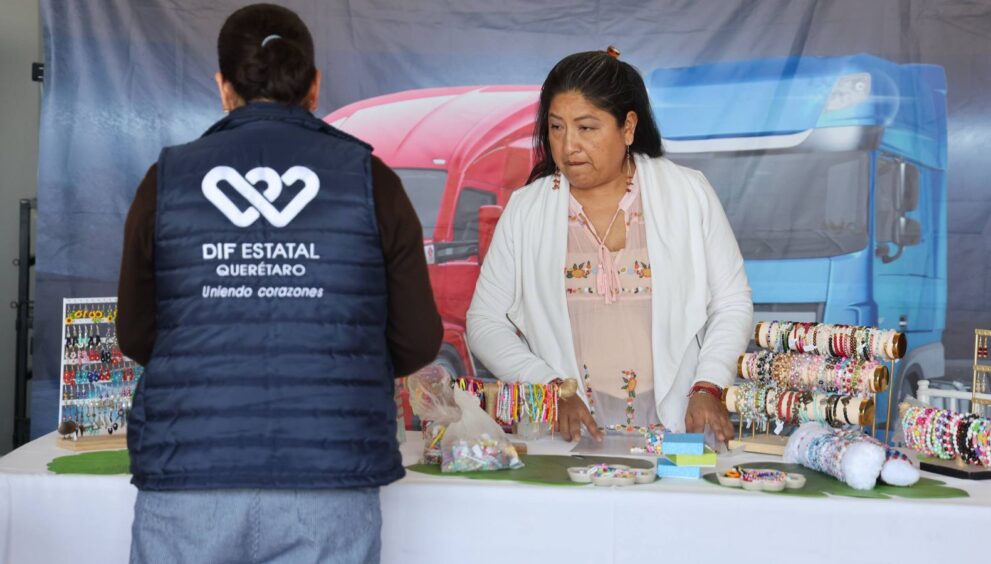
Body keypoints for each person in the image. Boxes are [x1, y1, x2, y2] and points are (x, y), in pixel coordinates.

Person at [116, 4, 442, 562]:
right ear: (314, 87)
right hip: (330, 477)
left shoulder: (165, 181)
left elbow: (136, 335)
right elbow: (416, 339)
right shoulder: (372, 182)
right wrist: (345, 360)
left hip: (191, 471)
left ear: (223, 88)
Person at [466, 49, 752, 444]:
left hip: (677, 430)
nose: (569, 146)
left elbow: (732, 303)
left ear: (628, 126)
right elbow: (484, 322)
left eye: (586, 128)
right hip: (567, 436)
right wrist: (551, 388)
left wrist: (708, 385)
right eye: (556, 127)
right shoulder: (527, 209)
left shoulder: (688, 193)